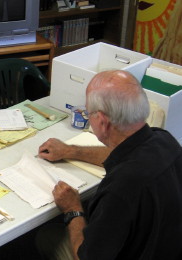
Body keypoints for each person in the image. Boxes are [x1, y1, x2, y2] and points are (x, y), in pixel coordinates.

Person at [36, 70, 182, 260]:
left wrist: (73, 210)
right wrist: (70, 151)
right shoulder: (164, 140)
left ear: (102, 122)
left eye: (89, 113)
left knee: (46, 237)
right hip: (167, 245)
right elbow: (122, 153)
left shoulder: (121, 189)